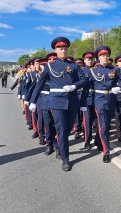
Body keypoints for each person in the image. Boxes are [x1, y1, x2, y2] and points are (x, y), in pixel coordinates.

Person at [29, 37, 87, 171]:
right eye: (61, 49)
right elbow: (39, 84)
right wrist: (32, 100)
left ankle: (59, 144)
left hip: (72, 101)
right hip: (56, 101)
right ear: (56, 50)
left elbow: (83, 80)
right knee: (61, 129)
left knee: (67, 129)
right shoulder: (50, 66)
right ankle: (65, 159)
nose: (63, 51)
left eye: (65, 49)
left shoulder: (74, 65)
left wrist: (74, 86)